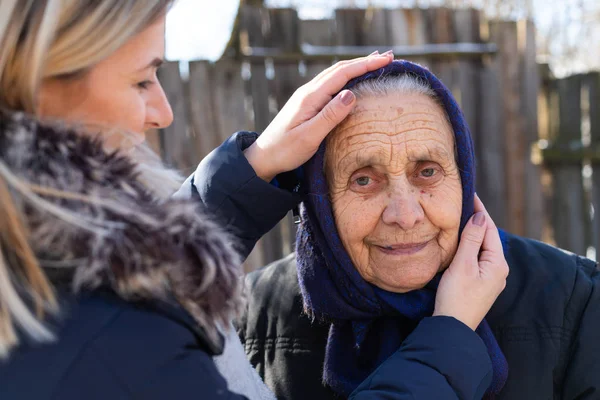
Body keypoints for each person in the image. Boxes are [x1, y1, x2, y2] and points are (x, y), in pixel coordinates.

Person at [0, 1, 507, 399]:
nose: (162, 111)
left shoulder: (45, 273)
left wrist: (253, 167)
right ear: (41, 83)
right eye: (141, 79)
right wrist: (451, 338)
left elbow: (113, 288)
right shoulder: (127, 341)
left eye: (427, 171)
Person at [238, 60, 600, 400]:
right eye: (364, 180)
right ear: (320, 200)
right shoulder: (251, 313)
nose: (405, 215)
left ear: (464, 178)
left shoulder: (574, 298)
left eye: (427, 171)